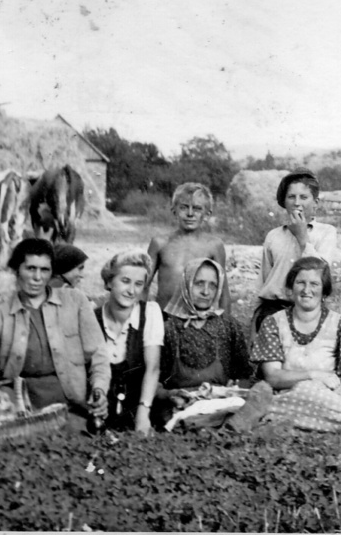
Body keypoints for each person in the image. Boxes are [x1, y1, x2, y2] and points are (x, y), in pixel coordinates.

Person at [0, 238, 109, 435]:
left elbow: (98, 354)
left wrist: (100, 389)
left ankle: (31, 428)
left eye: (44, 270)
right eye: (30, 268)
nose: (37, 277)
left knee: (80, 428)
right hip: (18, 397)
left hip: (65, 394)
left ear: (51, 272)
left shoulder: (75, 302)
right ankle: (29, 426)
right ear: (16, 270)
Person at [231, 257, 341, 432]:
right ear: (290, 288)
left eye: (314, 284)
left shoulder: (340, 326)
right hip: (286, 399)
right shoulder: (273, 323)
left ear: (324, 290)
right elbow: (273, 376)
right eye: (300, 283)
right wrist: (315, 375)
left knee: (312, 393)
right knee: (299, 391)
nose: (307, 290)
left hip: (328, 403)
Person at [156, 258, 252, 424]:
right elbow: (154, 382)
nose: (206, 292)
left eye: (212, 285)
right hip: (180, 404)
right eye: (199, 283)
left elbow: (245, 374)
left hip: (218, 401)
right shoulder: (168, 328)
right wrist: (172, 395)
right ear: (186, 284)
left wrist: (231, 390)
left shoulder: (228, 326)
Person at [252, 169, 337, 334]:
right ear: (284, 202)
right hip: (272, 311)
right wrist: (254, 323)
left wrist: (302, 236)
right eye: (291, 197)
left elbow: (321, 273)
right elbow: (263, 282)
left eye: (304, 197)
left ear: (316, 203)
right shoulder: (273, 236)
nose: (297, 203)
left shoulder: (326, 232)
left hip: (309, 311)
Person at [94, 251, 163, 434]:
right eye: (125, 281)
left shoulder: (150, 313)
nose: (131, 291)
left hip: (139, 406)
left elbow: (153, 367)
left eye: (138, 284)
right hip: (100, 409)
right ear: (109, 282)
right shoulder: (92, 315)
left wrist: (143, 414)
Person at [146, 183, 230, 311]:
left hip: (198, 320)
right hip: (164, 317)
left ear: (207, 214)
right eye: (184, 208)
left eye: (197, 209)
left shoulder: (213, 246)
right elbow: (143, 285)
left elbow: (223, 291)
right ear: (174, 211)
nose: (190, 214)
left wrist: (227, 326)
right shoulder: (159, 243)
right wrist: (140, 320)